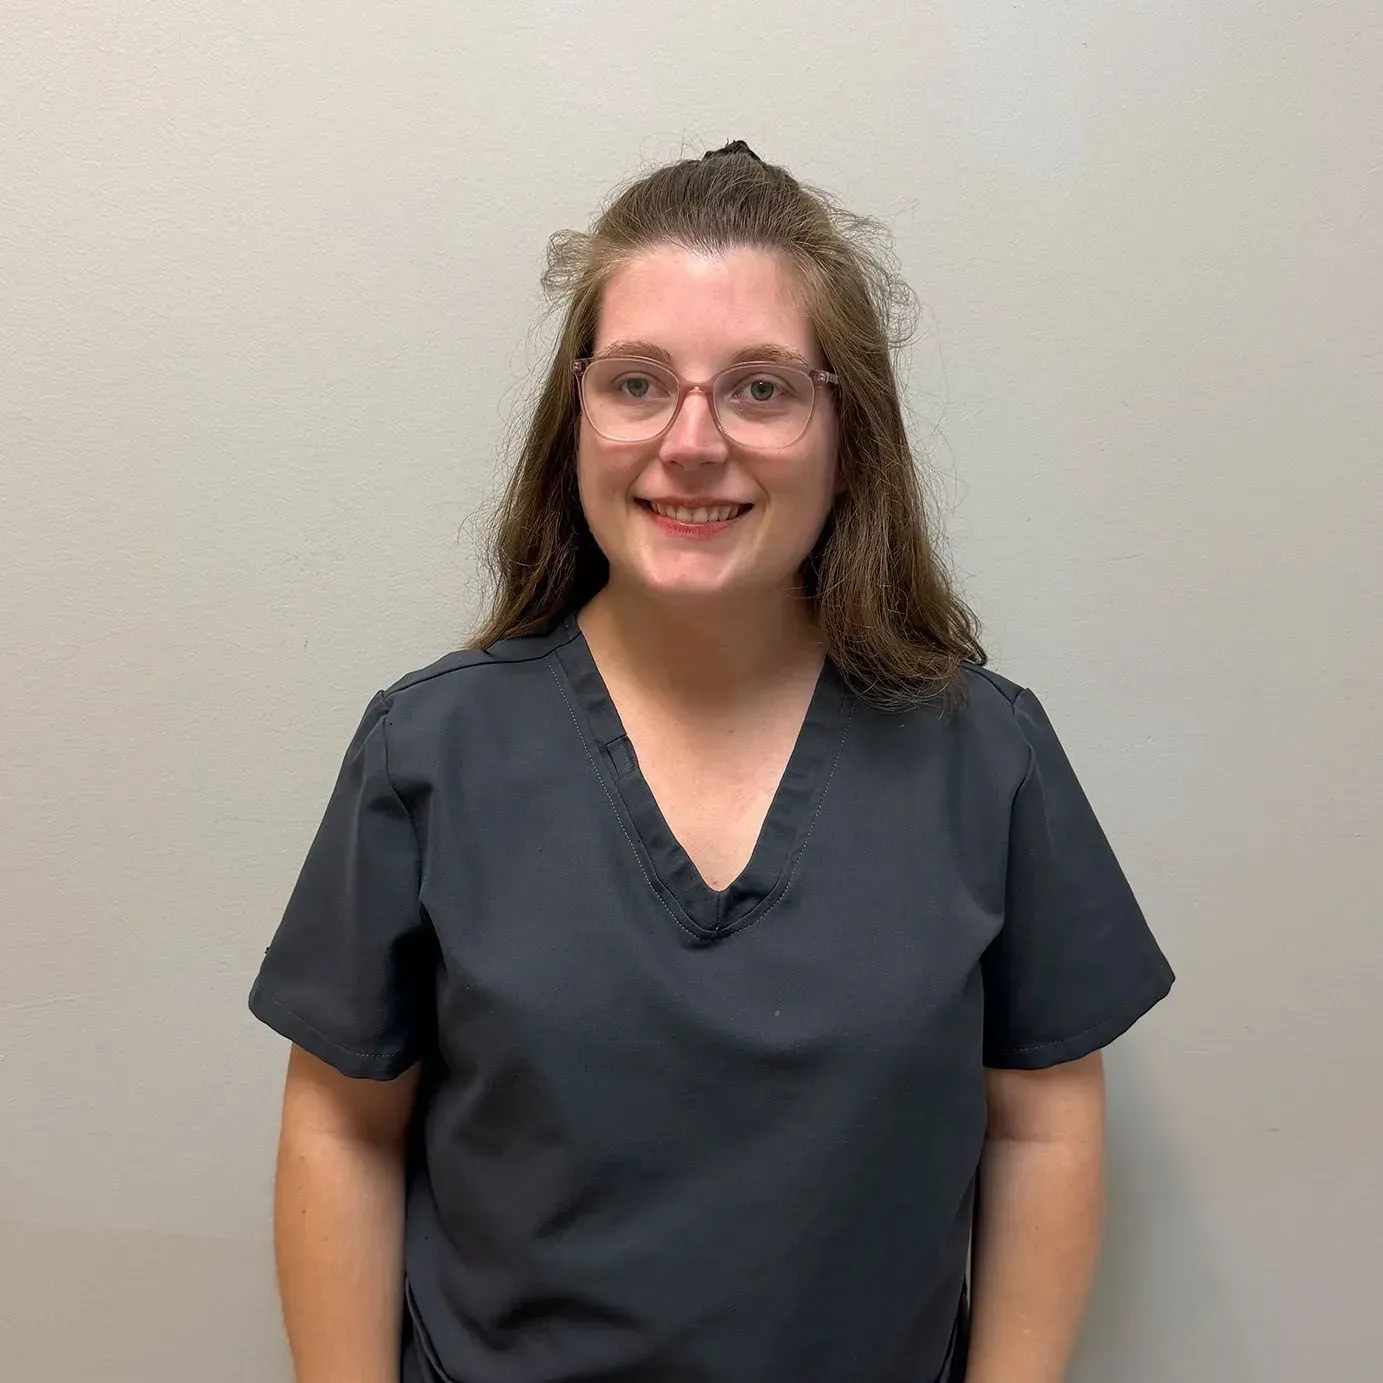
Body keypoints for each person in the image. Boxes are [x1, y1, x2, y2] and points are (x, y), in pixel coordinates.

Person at [248, 140, 1174, 1383]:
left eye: (760, 389)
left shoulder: (982, 756)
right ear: (574, 418)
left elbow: (1045, 1123)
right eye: (638, 383)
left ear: (849, 427)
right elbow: (343, 1126)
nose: (692, 442)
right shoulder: (431, 752)